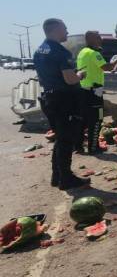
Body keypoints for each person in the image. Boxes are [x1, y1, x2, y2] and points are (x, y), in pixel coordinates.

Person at [33, 18, 91, 190]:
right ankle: (66, 179)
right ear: (55, 30)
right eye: (64, 29)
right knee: (66, 140)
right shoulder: (60, 52)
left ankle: (56, 175)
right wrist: (80, 74)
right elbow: (70, 79)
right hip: (64, 100)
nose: (66, 32)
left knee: (60, 137)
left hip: (50, 98)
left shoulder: (40, 50)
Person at [75, 31, 114, 154]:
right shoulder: (94, 53)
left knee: (83, 120)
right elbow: (106, 67)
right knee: (97, 118)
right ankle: (93, 147)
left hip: (82, 90)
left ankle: (78, 146)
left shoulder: (82, 52)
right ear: (91, 39)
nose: (100, 40)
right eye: (98, 38)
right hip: (95, 92)